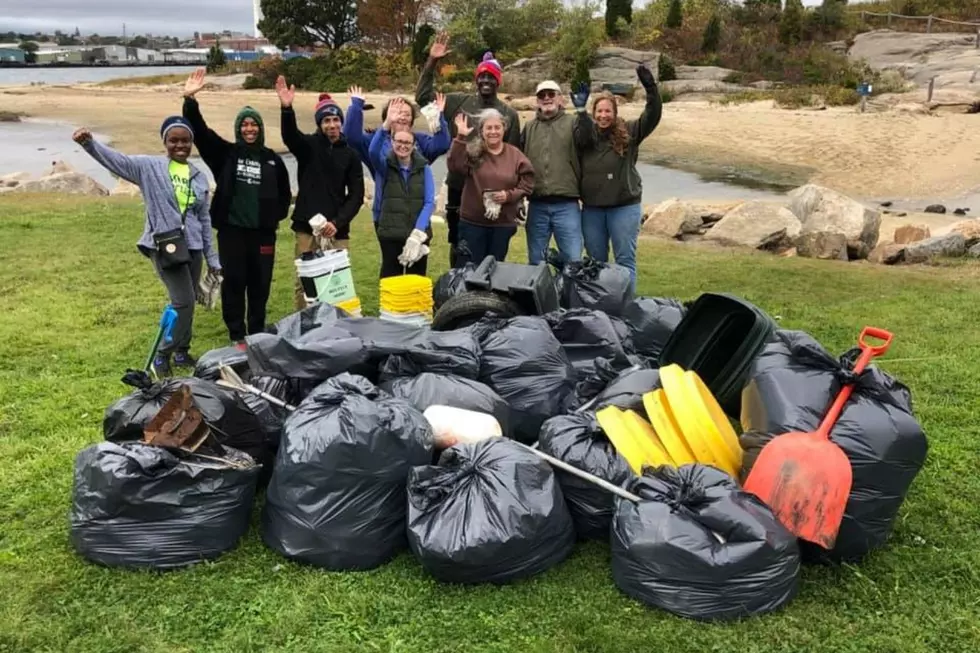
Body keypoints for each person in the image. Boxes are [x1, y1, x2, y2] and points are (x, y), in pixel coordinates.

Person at [72, 117, 220, 377]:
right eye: (173, 140)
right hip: (165, 245)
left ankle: (182, 350)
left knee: (190, 301)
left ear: (192, 143)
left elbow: (204, 219)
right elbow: (117, 161)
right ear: (165, 142)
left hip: (193, 246)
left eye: (185, 140)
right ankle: (162, 355)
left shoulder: (198, 176)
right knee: (182, 302)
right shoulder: (149, 167)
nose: (180, 145)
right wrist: (89, 144)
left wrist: (212, 258)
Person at [181, 68, 292, 347]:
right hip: (232, 233)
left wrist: (270, 217)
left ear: (261, 128)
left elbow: (285, 194)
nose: (249, 129)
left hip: (263, 235)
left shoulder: (272, 160)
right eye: (244, 125)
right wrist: (190, 101)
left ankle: (256, 330)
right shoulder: (226, 154)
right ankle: (236, 333)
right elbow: (201, 134)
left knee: (260, 283)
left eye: (254, 124)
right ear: (238, 129)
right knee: (234, 281)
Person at [415, 31, 521, 267]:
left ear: (498, 81)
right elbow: (422, 98)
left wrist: (516, 201)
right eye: (481, 76)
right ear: (476, 79)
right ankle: (458, 291)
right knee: (459, 245)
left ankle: (489, 297)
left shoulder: (509, 115)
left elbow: (514, 159)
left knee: (494, 250)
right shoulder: (457, 103)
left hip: (493, 191)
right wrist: (432, 60)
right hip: (459, 187)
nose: (485, 81)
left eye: (491, 77)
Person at [275, 74, 365, 310]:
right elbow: (290, 136)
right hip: (307, 226)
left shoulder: (351, 155)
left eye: (336, 119)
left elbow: (356, 195)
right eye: (326, 121)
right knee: (305, 282)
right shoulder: (308, 146)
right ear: (319, 124)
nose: (332, 125)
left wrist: (337, 222)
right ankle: (303, 329)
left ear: (341, 122)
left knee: (338, 282)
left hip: (337, 229)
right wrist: (286, 108)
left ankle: (337, 329)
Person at [578, 64, 663, 291]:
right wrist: (579, 111)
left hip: (624, 207)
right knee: (595, 263)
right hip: (593, 210)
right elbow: (576, 133)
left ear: (615, 113)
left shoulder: (629, 132)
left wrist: (651, 89)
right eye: (599, 111)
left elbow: (652, 116)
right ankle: (599, 306)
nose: (603, 115)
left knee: (624, 261)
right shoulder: (586, 136)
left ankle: (626, 308)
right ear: (593, 113)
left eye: (608, 111)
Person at [447, 109, 535, 266]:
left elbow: (528, 182)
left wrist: (510, 196)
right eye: (489, 128)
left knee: (493, 271)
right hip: (472, 224)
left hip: (502, 225)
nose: (493, 131)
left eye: (497, 127)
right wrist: (460, 137)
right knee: (468, 269)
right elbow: (455, 166)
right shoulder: (474, 152)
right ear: (482, 131)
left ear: (504, 129)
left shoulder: (515, 155)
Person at [520, 79, 593, 266]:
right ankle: (540, 296)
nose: (546, 98)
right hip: (536, 205)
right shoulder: (529, 128)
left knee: (573, 261)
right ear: (536, 101)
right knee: (537, 262)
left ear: (560, 99)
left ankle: (569, 295)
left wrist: (583, 112)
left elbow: (588, 140)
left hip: (566, 205)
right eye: (542, 95)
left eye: (551, 94)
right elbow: (518, 164)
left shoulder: (574, 122)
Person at [365, 99, 437, 279]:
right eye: (399, 141)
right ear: (392, 142)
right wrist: (387, 123)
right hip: (391, 233)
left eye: (407, 143)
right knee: (391, 276)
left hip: (418, 234)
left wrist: (418, 233)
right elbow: (373, 151)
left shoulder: (424, 168)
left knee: (416, 277)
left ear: (413, 146)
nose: (403, 146)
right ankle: (388, 308)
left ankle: (415, 308)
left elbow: (429, 202)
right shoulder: (385, 166)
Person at [343, 89, 451, 175]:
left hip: (416, 200)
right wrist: (356, 106)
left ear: (412, 121)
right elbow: (352, 138)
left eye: (407, 114)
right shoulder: (375, 140)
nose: (402, 117)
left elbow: (442, 145)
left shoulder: (420, 140)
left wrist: (437, 117)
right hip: (386, 200)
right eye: (397, 113)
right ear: (387, 117)